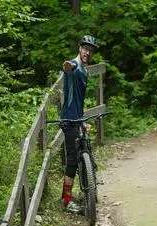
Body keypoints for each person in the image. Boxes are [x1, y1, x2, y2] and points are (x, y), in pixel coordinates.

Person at [60, 35, 98, 213]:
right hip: (68, 120)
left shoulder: (85, 71)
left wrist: (83, 120)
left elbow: (80, 101)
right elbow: (68, 66)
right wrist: (67, 66)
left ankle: (89, 184)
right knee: (73, 160)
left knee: (85, 149)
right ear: (80, 48)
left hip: (78, 118)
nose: (87, 52)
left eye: (90, 50)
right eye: (85, 49)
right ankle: (66, 200)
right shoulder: (74, 66)